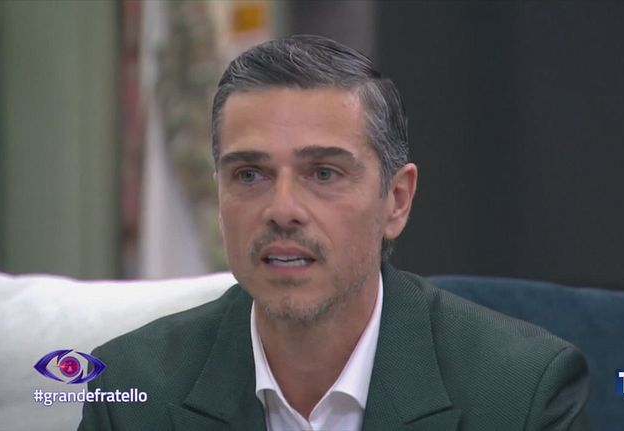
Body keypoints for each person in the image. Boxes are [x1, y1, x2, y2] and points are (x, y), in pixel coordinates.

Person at [79, 35, 589, 431]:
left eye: (323, 173)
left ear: (396, 200)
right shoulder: (131, 389)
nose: (282, 210)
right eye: (249, 175)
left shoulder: (519, 392)